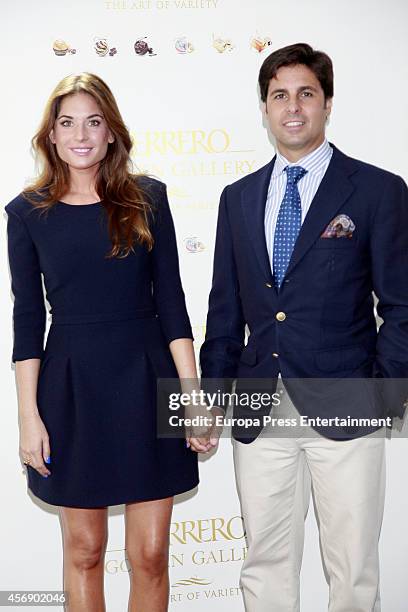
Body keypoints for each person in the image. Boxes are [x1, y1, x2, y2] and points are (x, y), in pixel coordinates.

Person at [198, 43, 408, 611]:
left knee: (352, 567)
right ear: (264, 108)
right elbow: (225, 310)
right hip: (258, 410)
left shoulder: (377, 191)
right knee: (263, 564)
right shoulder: (237, 198)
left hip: (348, 404)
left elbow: (402, 305)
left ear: (328, 103)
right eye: (279, 96)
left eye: (306, 94)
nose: (293, 107)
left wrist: (381, 392)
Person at [5, 72, 199, 612]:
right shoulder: (26, 214)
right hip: (70, 388)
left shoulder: (148, 199)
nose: (81, 135)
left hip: (146, 379)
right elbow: (26, 323)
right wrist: (28, 416)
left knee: (152, 553)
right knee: (86, 550)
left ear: (112, 131)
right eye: (67, 123)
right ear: (51, 135)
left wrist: (191, 395)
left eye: (94, 122)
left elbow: (174, 305)